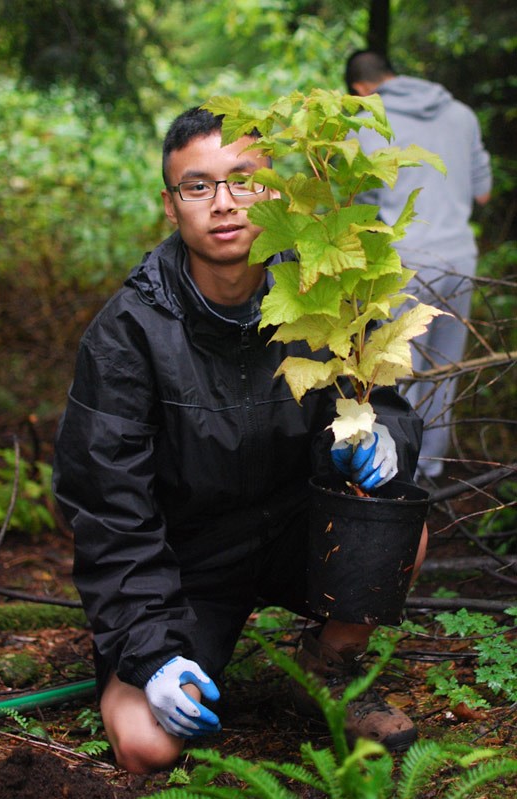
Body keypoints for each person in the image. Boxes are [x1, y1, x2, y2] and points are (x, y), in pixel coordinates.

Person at [52, 106, 428, 775]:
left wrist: (380, 439)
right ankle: (166, 663)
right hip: (187, 562)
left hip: (293, 531)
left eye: (242, 179)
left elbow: (385, 399)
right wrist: (150, 653)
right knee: (146, 743)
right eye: (197, 186)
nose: (223, 204)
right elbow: (109, 510)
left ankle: (325, 662)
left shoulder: (324, 289)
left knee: (404, 528)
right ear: (171, 206)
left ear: (275, 190)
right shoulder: (129, 332)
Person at [345, 50, 493, 479]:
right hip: (460, 259)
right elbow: (482, 193)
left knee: (395, 373)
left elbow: (361, 204)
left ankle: (399, 479)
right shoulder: (462, 114)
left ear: (360, 89)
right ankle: (430, 470)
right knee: (443, 374)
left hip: (403, 264)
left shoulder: (367, 121)